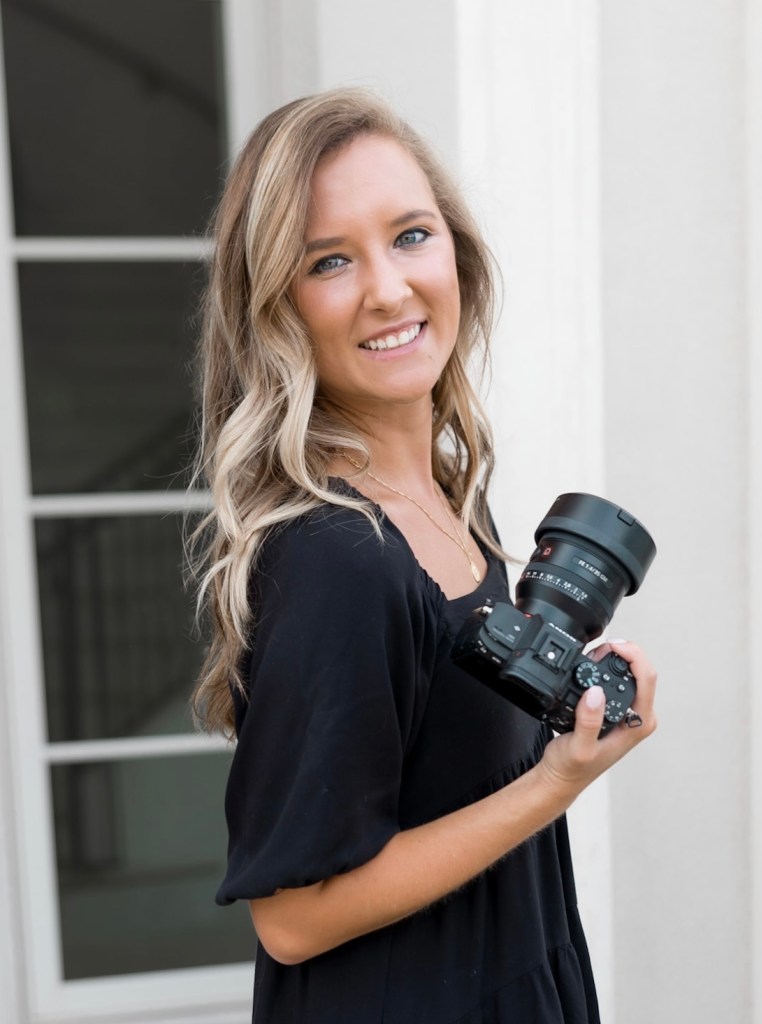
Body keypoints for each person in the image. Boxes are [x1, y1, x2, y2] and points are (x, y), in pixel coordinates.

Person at [190, 87, 658, 1024]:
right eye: (330, 260)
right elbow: (292, 918)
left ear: (457, 252)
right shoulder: (336, 558)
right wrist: (555, 783)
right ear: (278, 306)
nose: (389, 289)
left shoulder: (449, 496)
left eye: (411, 235)